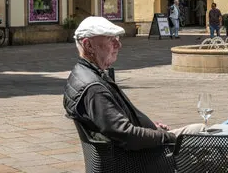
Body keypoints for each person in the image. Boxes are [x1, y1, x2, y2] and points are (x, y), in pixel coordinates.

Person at [63, 16, 204, 151]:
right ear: (88, 45)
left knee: (203, 131)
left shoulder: (85, 73)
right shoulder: (93, 89)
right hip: (146, 157)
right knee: (205, 135)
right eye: (111, 39)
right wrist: (166, 137)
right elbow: (126, 134)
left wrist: (147, 126)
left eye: (117, 39)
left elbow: (116, 122)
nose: (118, 45)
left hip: (142, 149)